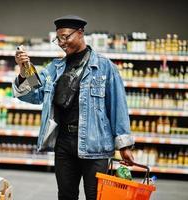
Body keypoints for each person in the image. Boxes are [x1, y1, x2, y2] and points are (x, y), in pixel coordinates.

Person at [12, 15, 135, 200]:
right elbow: (35, 94)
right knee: (66, 195)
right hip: (64, 143)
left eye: (65, 36)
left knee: (96, 196)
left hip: (96, 146)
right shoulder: (55, 68)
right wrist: (24, 69)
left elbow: (118, 106)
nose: (61, 42)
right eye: (58, 38)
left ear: (80, 33)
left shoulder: (104, 67)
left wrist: (124, 145)